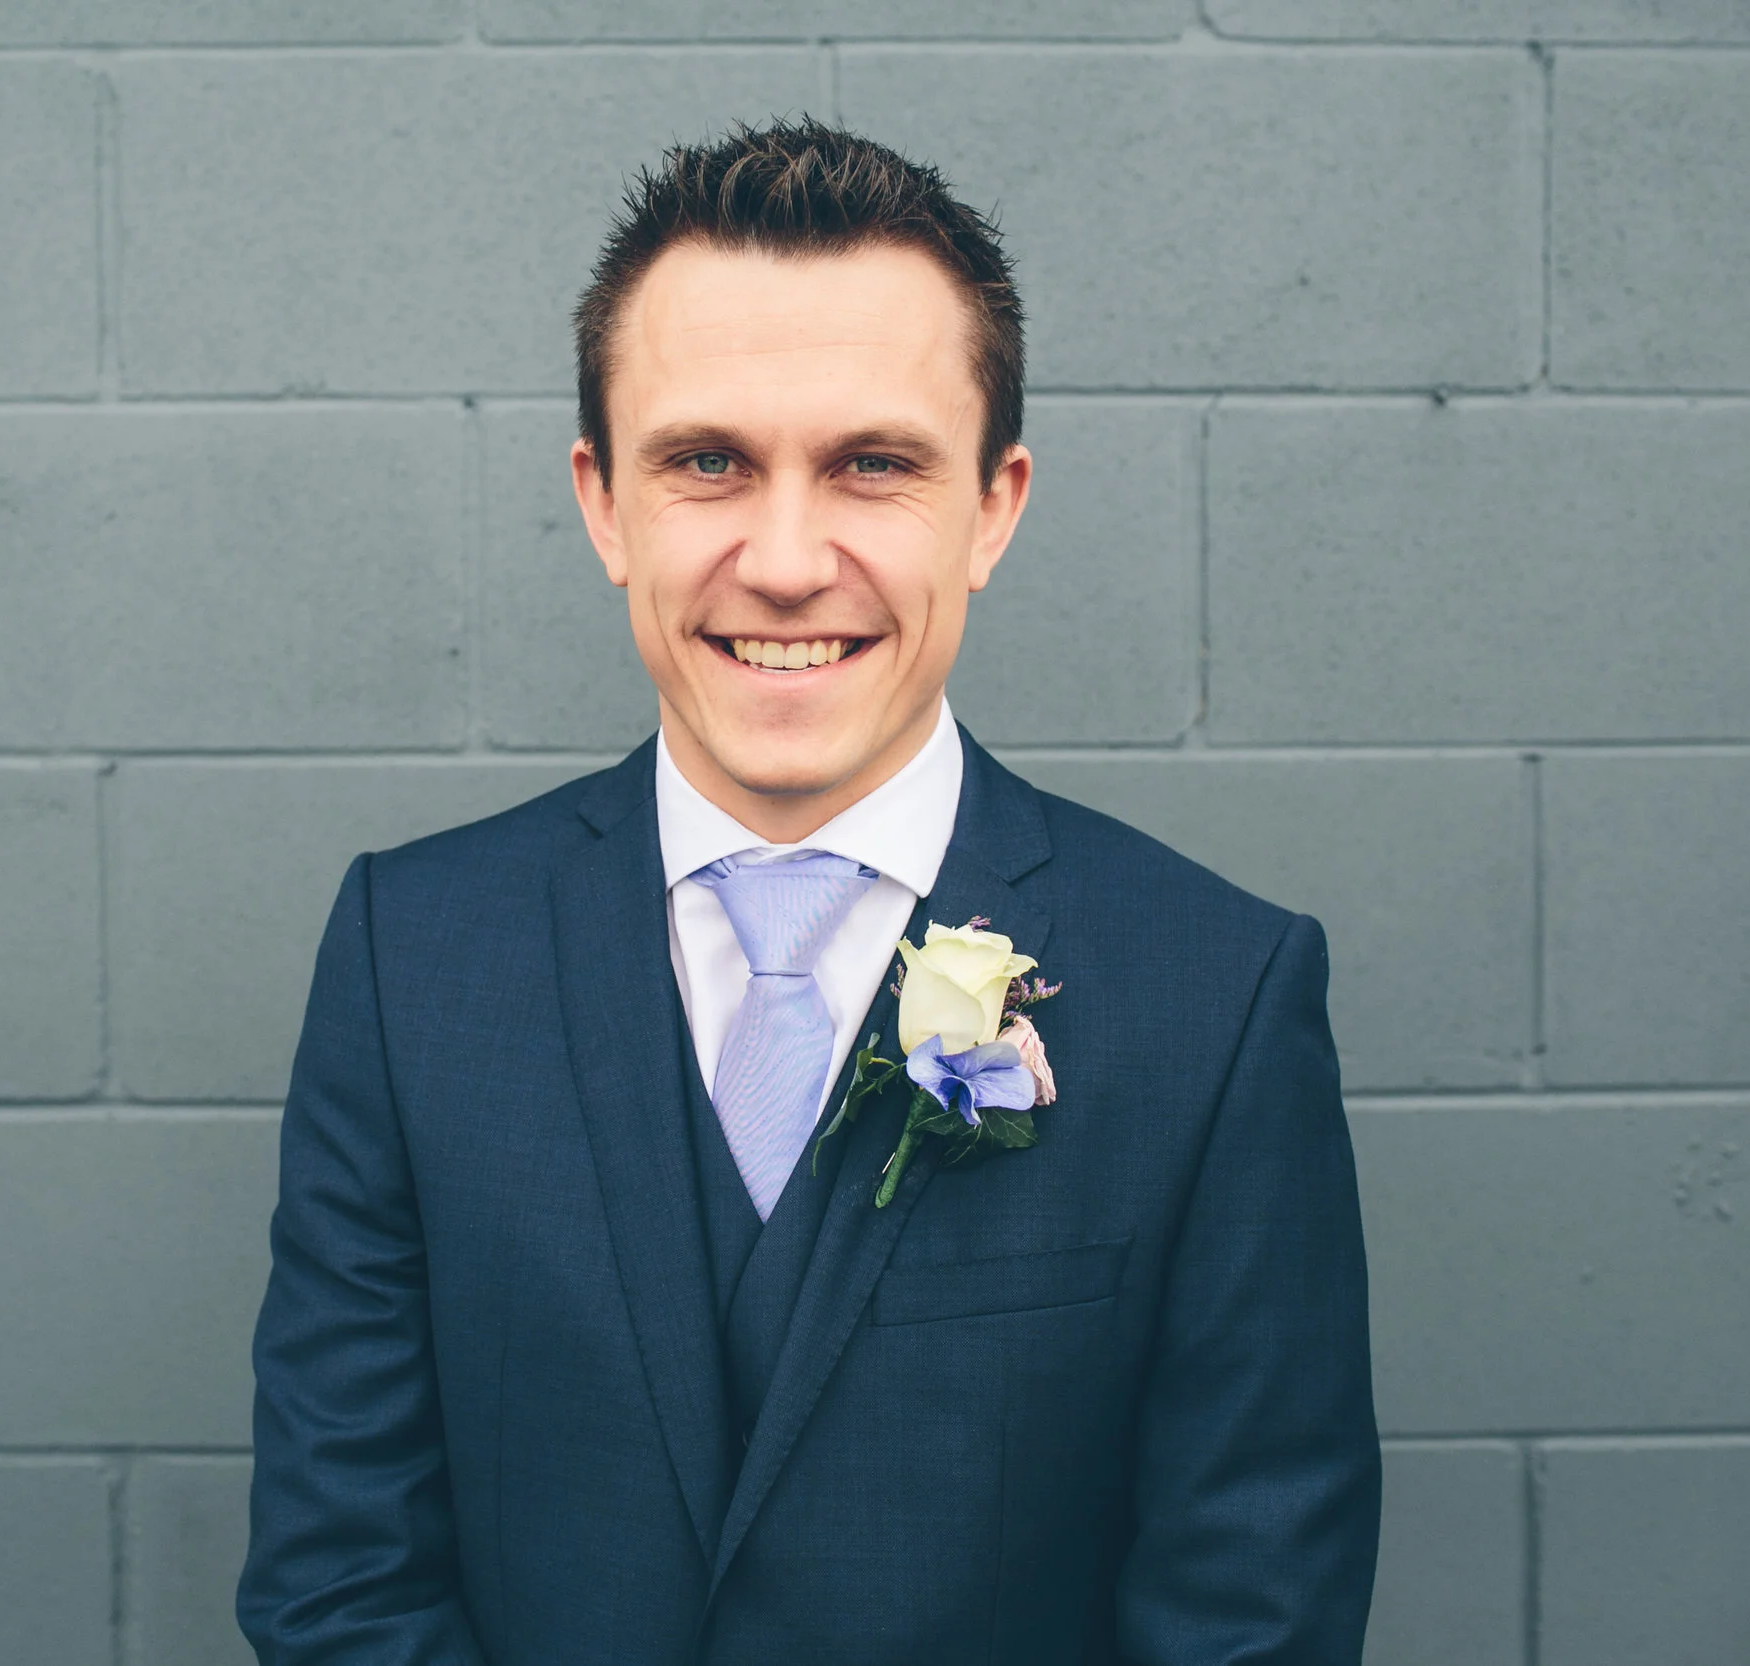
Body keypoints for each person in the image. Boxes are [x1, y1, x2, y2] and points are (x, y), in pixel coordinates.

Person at [239, 118, 1379, 1665]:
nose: (785, 559)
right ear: (602, 502)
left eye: (875, 464)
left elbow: (1251, 1612)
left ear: (994, 505)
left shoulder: (1219, 993)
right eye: (708, 461)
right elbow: (339, 1581)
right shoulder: (410, 955)